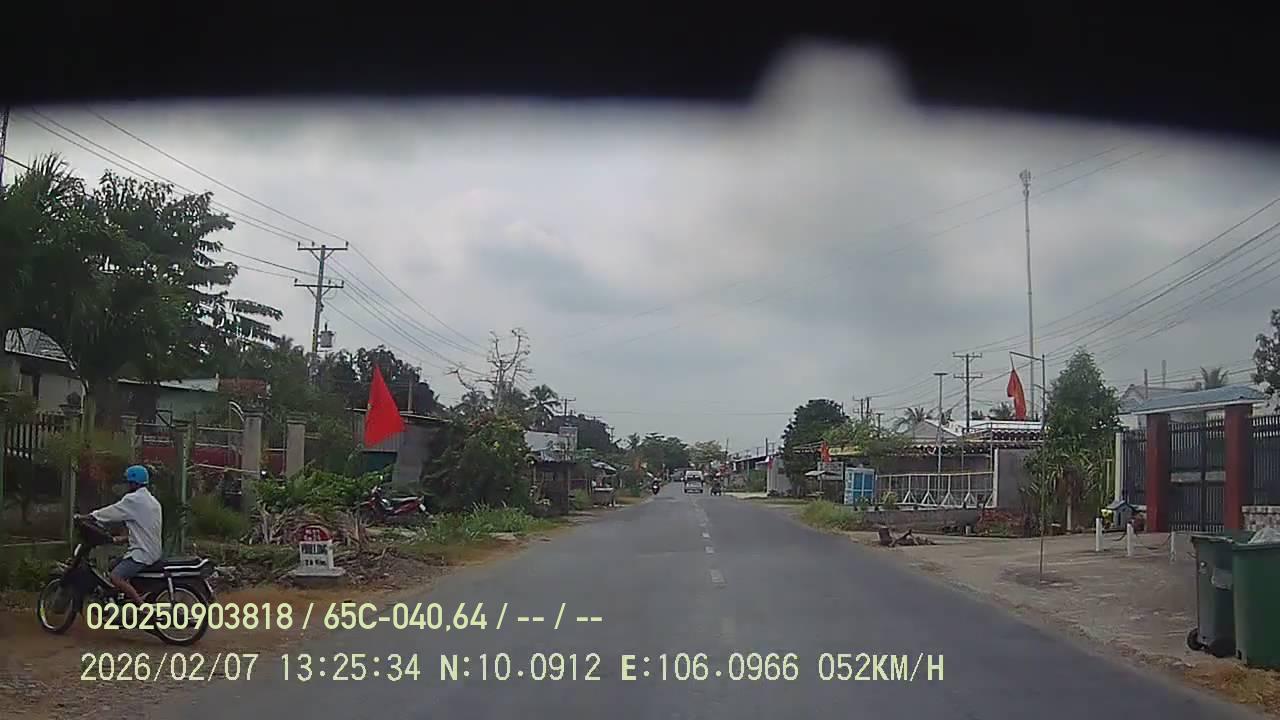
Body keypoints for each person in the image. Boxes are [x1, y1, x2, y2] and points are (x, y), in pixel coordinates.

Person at [82, 465, 163, 604]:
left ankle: (142, 606)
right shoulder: (151, 500)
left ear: (134, 483)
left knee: (115, 577)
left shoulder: (134, 499)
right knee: (112, 564)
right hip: (152, 550)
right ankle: (120, 599)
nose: (126, 485)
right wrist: (123, 539)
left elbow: (112, 512)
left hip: (142, 553)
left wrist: (90, 516)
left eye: (128, 482)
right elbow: (144, 528)